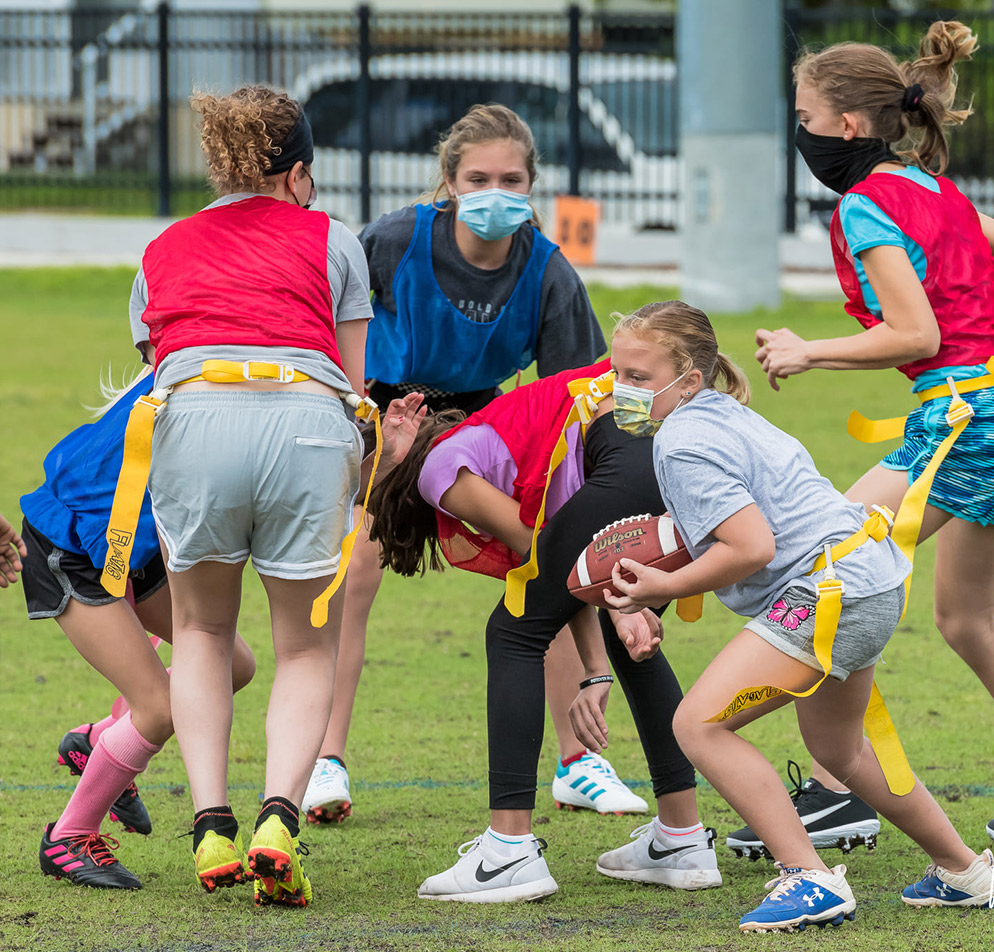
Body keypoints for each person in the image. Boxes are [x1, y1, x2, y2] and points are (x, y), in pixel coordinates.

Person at [753, 21, 994, 847]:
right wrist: (990, 349)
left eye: (805, 117)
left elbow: (914, 334)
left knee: (830, 567)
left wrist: (810, 350)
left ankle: (837, 787)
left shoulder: (865, 204)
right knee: (965, 619)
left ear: (849, 124)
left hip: (965, 421)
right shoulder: (935, 190)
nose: (800, 132)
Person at [602, 300, 994, 932]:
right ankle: (965, 871)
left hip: (828, 591)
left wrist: (664, 585)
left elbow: (751, 547)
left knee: (699, 727)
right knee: (840, 751)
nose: (620, 389)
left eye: (637, 377)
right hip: (868, 576)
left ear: (688, 379)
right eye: (616, 372)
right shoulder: (719, 410)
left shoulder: (681, 441)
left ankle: (810, 878)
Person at [305, 102, 619, 825]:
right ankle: (325, 759)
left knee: (541, 558)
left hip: (481, 425)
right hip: (387, 414)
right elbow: (321, 315)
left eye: (511, 180)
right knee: (354, 568)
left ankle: (580, 761)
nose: (494, 193)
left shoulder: (548, 271)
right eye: (478, 179)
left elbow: (576, 396)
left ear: (532, 185)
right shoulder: (392, 239)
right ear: (449, 181)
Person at [126, 84, 372, 906]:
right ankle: (277, 821)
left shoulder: (162, 247)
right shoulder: (333, 238)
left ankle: (210, 826)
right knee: (304, 647)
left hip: (193, 419)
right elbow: (354, 385)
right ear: (297, 173)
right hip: (306, 420)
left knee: (200, 629)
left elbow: (160, 359)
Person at [372, 361, 718, 903]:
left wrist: (614, 611)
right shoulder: (502, 438)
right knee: (634, 645)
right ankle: (681, 838)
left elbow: (541, 551)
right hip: (670, 458)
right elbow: (562, 573)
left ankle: (507, 853)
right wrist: (598, 663)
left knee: (511, 633)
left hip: (628, 457)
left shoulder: (439, 466)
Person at [16, 371, 255, 889]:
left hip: (135, 547)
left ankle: (98, 741)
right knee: (160, 707)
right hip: (75, 544)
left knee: (234, 666)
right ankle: (69, 836)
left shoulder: (239, 378)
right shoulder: (203, 378)